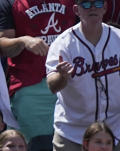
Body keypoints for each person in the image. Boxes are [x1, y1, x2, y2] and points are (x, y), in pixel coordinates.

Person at [46, 0, 120, 151]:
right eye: (86, 4)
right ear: (76, 10)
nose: (92, 7)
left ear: (105, 8)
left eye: (97, 3)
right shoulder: (63, 43)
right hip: (73, 130)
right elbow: (52, 85)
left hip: (115, 129)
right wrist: (62, 76)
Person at [0, 0, 76, 141]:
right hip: (31, 88)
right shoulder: (10, 2)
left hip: (71, 83)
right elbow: (3, 47)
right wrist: (23, 41)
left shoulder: (72, 2)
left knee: (71, 147)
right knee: (32, 150)